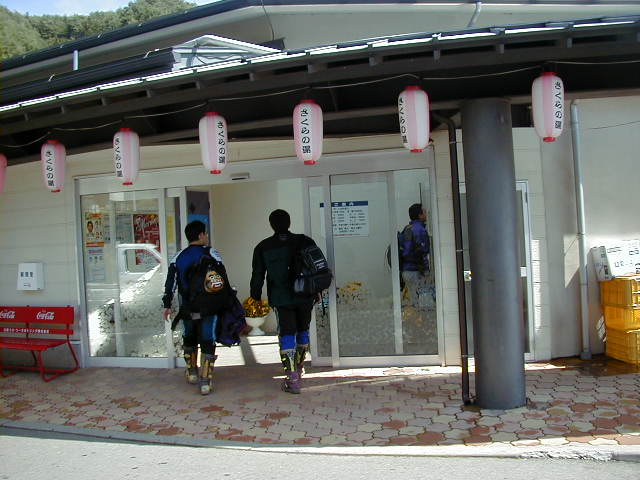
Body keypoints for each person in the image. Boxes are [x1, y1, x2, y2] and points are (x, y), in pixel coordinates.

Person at [250, 209, 316, 394]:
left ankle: (292, 377)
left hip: (281, 297)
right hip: (305, 294)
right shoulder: (305, 241)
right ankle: (300, 366)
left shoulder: (263, 247)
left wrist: (255, 297)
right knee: (303, 330)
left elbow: (257, 275)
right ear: (289, 222)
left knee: (287, 333)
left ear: (271, 225)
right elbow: (316, 267)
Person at [162, 220, 226, 395]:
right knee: (207, 339)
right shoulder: (212, 253)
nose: (207, 236)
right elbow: (222, 280)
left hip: (188, 307)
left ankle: (191, 373)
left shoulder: (178, 256)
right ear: (200, 235)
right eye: (205, 233)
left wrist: (167, 304)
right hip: (209, 307)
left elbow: (171, 283)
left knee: (189, 338)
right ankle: (205, 381)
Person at [400, 203, 431, 308]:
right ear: (419, 215)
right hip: (416, 271)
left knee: (414, 301)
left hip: (406, 270)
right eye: (424, 212)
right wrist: (426, 271)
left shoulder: (407, 228)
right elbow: (423, 251)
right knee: (424, 303)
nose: (426, 213)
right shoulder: (420, 230)